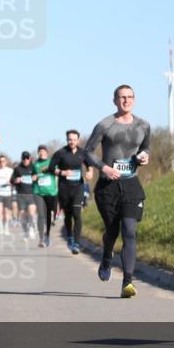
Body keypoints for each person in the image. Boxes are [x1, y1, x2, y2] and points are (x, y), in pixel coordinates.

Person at [83, 85, 150, 298]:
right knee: (112, 231)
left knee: (129, 231)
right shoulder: (105, 125)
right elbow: (87, 152)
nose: (126, 101)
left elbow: (146, 148)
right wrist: (104, 167)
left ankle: (127, 282)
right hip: (107, 187)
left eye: (130, 97)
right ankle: (106, 257)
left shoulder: (144, 125)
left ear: (135, 100)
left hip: (131, 184)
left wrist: (144, 156)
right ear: (115, 100)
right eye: (122, 97)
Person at [48, 130, 94, 254]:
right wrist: (62, 172)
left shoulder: (82, 153)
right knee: (68, 215)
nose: (71, 141)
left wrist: (90, 172)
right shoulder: (60, 153)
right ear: (66, 139)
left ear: (77, 140)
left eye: (74, 139)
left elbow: (89, 164)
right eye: (69, 139)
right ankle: (69, 236)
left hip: (78, 187)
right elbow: (51, 167)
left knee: (77, 214)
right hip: (64, 187)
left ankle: (76, 244)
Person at [32, 144, 58, 248]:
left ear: (47, 152)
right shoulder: (35, 164)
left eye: (43, 151)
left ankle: (47, 235)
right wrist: (33, 177)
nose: (41, 153)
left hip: (51, 192)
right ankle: (41, 239)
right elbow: (31, 175)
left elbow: (57, 173)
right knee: (41, 215)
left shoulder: (52, 162)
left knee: (49, 215)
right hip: (38, 192)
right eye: (39, 151)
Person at [11, 151, 39, 240]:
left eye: (27, 158)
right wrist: (16, 180)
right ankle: (25, 231)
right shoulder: (18, 168)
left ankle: (31, 228)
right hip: (21, 194)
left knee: (31, 212)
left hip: (31, 193)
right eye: (24, 158)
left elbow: (39, 175)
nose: (25, 160)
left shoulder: (34, 166)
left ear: (30, 158)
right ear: (21, 159)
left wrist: (36, 177)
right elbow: (11, 180)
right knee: (22, 215)